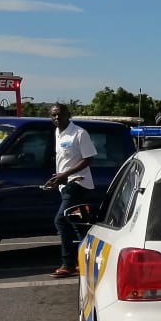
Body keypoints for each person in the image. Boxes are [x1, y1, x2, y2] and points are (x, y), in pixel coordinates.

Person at [45, 103, 97, 278]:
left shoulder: (79, 133)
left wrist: (65, 174)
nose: (56, 118)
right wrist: (57, 178)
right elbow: (64, 160)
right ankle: (86, 261)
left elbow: (88, 159)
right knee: (78, 225)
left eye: (59, 114)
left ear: (68, 114)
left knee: (61, 220)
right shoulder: (58, 133)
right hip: (65, 183)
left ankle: (67, 264)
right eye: (53, 115)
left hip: (79, 183)